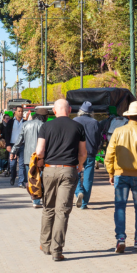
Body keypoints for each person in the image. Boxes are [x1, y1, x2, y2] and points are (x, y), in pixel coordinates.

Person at [35, 99, 85, 262]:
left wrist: (41, 161)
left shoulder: (46, 126)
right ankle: (57, 250)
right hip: (69, 170)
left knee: (48, 208)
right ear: (69, 110)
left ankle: (45, 244)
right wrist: (80, 166)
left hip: (49, 170)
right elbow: (83, 153)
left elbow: (39, 151)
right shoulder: (78, 127)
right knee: (62, 211)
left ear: (54, 111)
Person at [104, 101, 137, 253]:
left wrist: (111, 172)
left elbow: (109, 155)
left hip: (121, 175)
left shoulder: (118, 132)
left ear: (129, 116)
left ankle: (120, 238)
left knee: (120, 208)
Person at [13, 108, 46, 206]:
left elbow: (19, 140)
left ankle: (35, 200)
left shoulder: (26, 124)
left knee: (31, 178)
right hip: (41, 156)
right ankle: (42, 198)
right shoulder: (44, 125)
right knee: (42, 178)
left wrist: (13, 151)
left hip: (29, 157)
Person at [74, 101, 102, 209]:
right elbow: (98, 139)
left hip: (77, 153)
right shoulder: (95, 122)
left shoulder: (75, 121)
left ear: (80, 111)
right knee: (88, 178)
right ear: (91, 112)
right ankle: (84, 203)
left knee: (76, 174)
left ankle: (79, 191)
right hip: (90, 153)